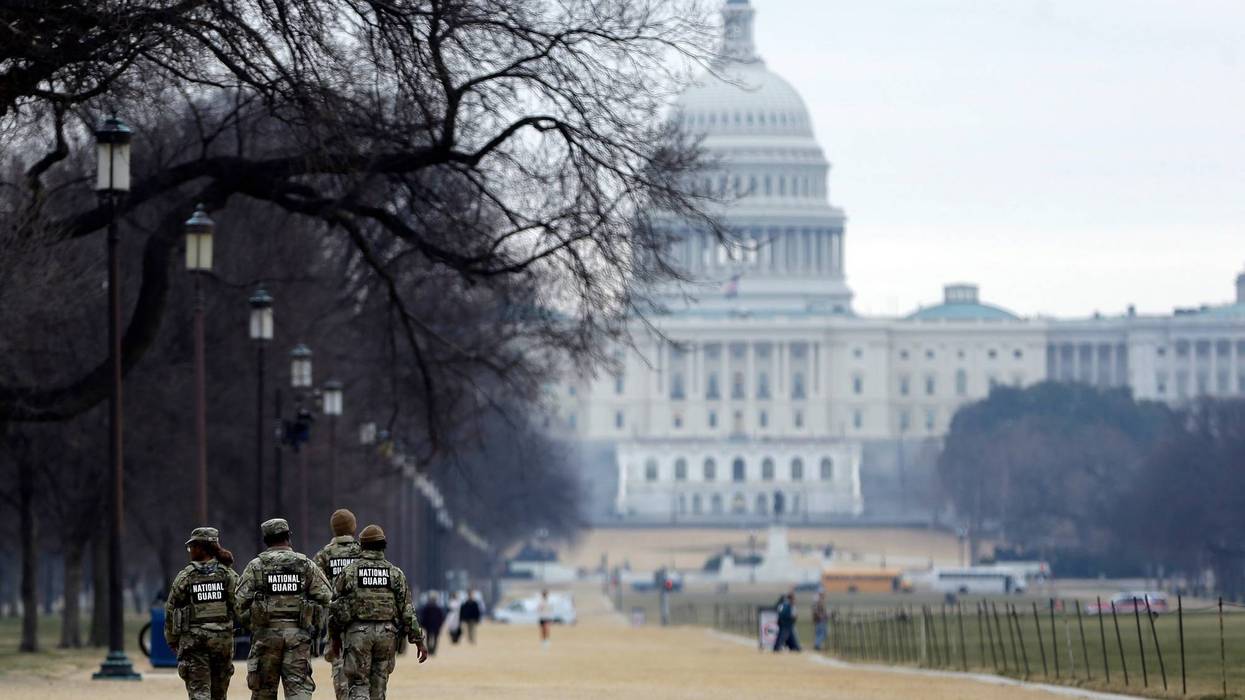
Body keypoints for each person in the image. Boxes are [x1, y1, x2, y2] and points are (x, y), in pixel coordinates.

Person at [236, 518, 333, 700]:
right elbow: (328, 596)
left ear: (266, 540)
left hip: (265, 637)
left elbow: (238, 602)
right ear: (288, 536)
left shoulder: (256, 566)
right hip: (298, 636)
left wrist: (252, 621)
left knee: (263, 692)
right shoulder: (305, 565)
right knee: (298, 692)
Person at [329, 524, 427, 700]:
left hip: (357, 633)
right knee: (379, 686)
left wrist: (334, 637)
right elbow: (407, 610)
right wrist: (418, 640)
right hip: (387, 634)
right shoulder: (395, 574)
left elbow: (336, 607)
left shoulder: (350, 572)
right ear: (384, 545)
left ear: (362, 546)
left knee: (358, 684)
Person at [165, 527, 239, 700]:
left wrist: (172, 639)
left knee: (199, 692)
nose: (190, 551)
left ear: (201, 547)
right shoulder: (227, 574)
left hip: (194, 642)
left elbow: (171, 609)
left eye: (192, 547)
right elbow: (239, 605)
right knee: (219, 694)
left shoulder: (186, 576)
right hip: (222, 641)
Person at [313, 509, 363, 700]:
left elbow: (315, 590)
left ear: (334, 529)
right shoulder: (362, 552)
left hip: (335, 623)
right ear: (353, 527)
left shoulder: (324, 555)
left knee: (340, 674)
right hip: (361, 622)